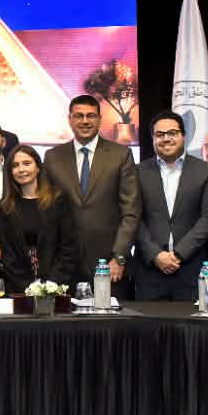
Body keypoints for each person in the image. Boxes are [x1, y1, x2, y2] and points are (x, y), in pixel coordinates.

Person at [43, 95, 140, 292]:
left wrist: (119, 257)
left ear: (99, 119)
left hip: (109, 264)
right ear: (70, 119)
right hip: (64, 264)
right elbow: (45, 209)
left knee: (111, 312)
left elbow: (131, 212)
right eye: (79, 116)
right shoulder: (53, 157)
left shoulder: (121, 154)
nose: (85, 121)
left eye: (91, 116)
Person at [134, 111, 208, 301]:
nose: (166, 139)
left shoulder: (207, 172)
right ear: (153, 139)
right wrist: (155, 254)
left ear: (183, 136)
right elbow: (132, 217)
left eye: (172, 133)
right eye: (160, 134)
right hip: (150, 271)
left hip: (191, 270)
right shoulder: (137, 172)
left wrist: (179, 254)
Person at [0, 146, 78, 292]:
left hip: (57, 286)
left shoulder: (58, 200)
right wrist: (29, 288)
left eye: (27, 163)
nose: (21, 169)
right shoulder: (5, 206)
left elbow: (68, 247)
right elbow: (8, 254)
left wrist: (50, 285)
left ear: (38, 167)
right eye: (15, 165)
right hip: (19, 288)